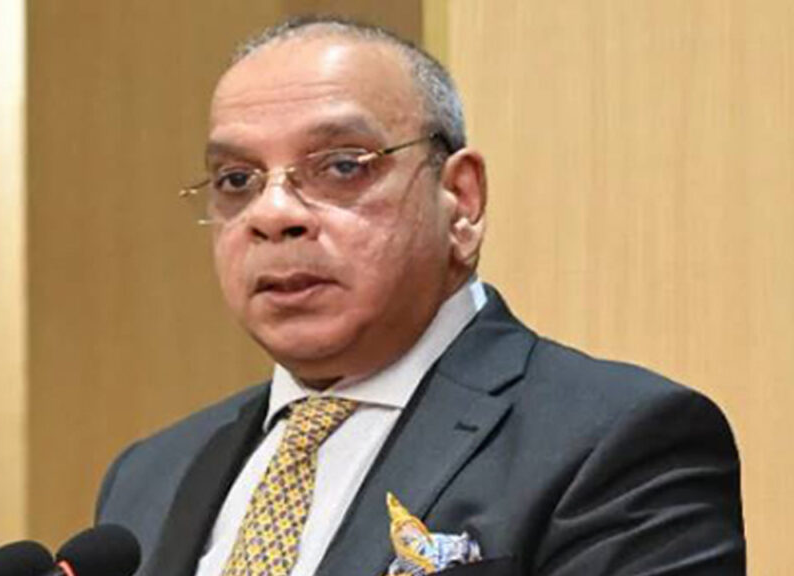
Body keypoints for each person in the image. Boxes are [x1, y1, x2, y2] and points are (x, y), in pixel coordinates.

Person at [95, 17, 744, 576]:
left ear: (461, 199)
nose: (273, 214)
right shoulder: (150, 474)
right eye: (237, 179)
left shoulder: (615, 441)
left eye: (341, 166)